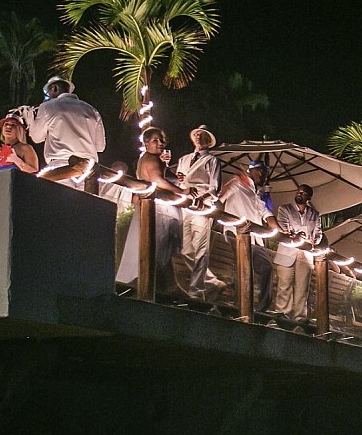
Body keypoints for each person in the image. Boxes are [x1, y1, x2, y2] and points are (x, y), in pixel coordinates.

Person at [115, 127, 183, 296]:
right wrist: (182, 192)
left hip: (151, 208)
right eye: (155, 140)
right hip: (156, 209)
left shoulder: (151, 159)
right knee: (156, 247)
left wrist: (174, 177)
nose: (160, 144)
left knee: (154, 248)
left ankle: (163, 285)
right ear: (146, 143)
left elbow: (161, 176)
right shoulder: (151, 158)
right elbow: (156, 179)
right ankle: (150, 285)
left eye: (162, 140)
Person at [16, 76, 106, 187]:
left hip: (61, 167)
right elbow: (100, 147)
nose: (47, 96)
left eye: (47, 93)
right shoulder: (92, 110)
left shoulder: (48, 106)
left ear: (54, 88)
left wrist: (29, 117)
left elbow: (37, 137)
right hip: (89, 170)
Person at [220, 158, 279, 313]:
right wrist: (234, 181)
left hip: (255, 238)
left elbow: (267, 214)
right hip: (236, 233)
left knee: (266, 268)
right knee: (243, 267)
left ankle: (261, 308)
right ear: (250, 170)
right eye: (260, 170)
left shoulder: (257, 194)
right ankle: (239, 304)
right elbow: (220, 196)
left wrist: (282, 232)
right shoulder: (237, 182)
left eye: (265, 172)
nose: (263, 174)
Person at [175, 125, 225, 300]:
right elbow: (180, 183)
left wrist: (203, 198)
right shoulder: (184, 159)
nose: (198, 137)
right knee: (186, 249)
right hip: (185, 206)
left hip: (202, 208)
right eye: (196, 134)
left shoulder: (212, 160)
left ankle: (196, 290)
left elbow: (215, 187)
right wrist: (180, 181)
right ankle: (212, 282)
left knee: (201, 249)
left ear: (208, 141)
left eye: (202, 135)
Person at [272, 183, 323, 328]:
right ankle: (282, 313)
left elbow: (318, 233)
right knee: (284, 284)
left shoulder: (315, 214)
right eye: (298, 192)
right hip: (286, 251)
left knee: (302, 288)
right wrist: (295, 234)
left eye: (303, 193)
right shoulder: (285, 209)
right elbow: (283, 227)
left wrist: (314, 239)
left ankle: (299, 316)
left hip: (305, 254)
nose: (299, 194)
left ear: (309, 197)